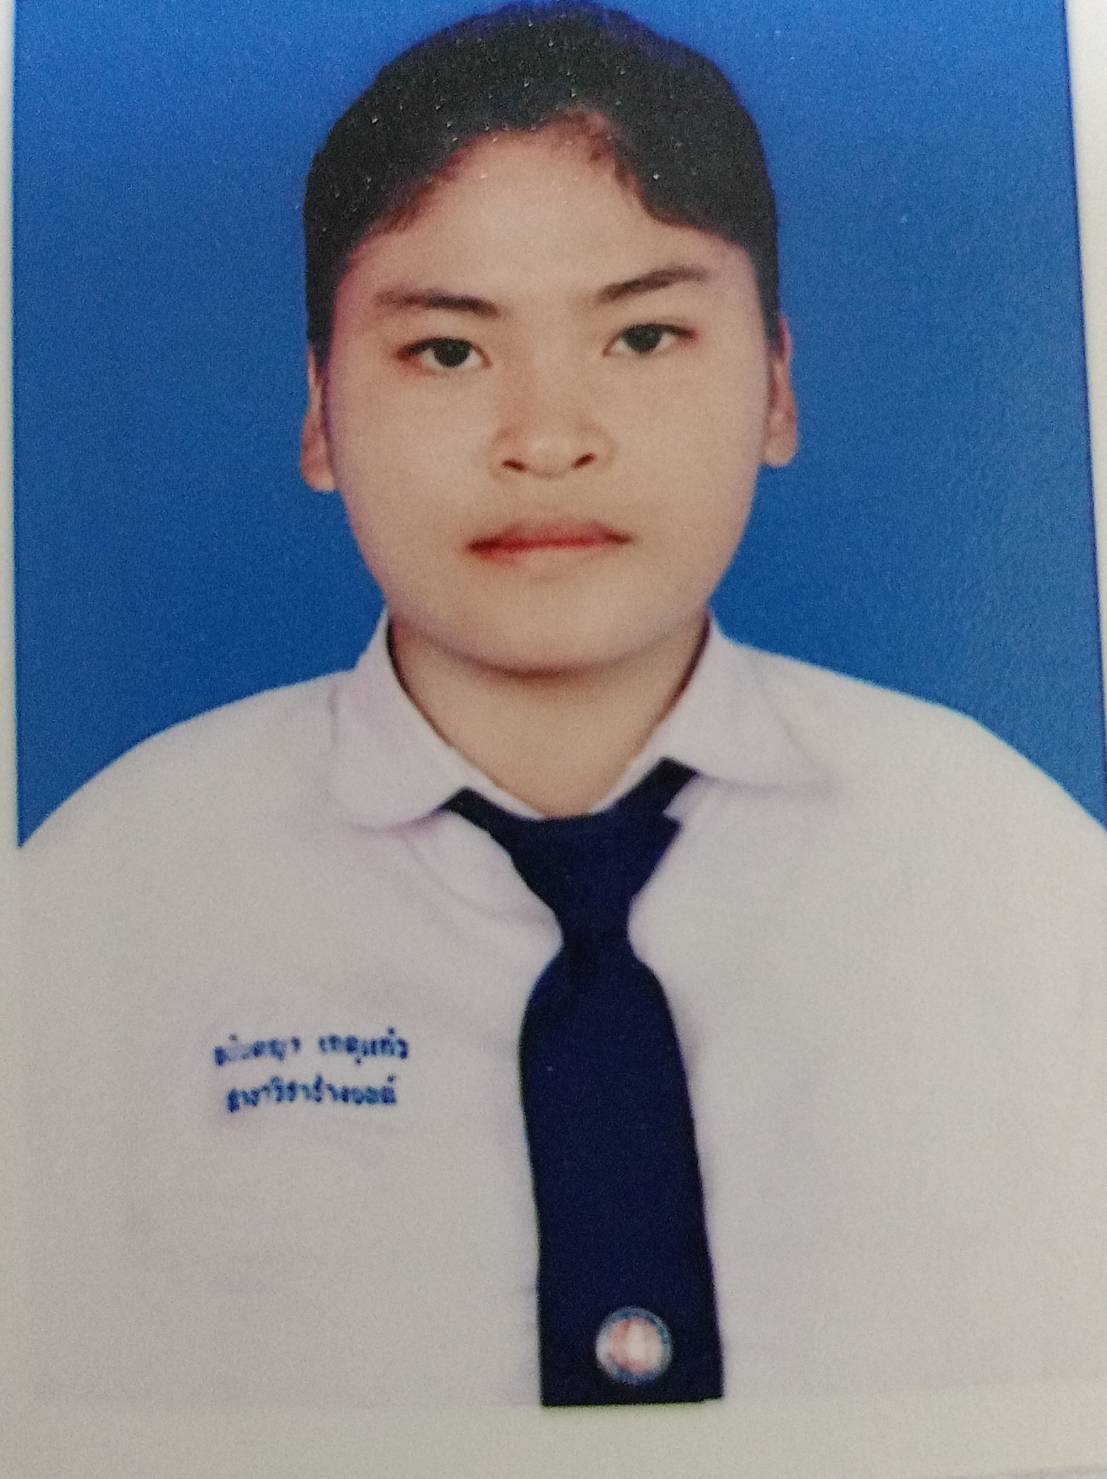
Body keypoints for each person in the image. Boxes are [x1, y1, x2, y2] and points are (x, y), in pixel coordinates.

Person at [20, 0, 1107, 1409]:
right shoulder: (97, 900)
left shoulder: (1007, 861)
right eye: (448, 351)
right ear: (319, 412)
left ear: (778, 388)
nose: (547, 439)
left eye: (644, 337)